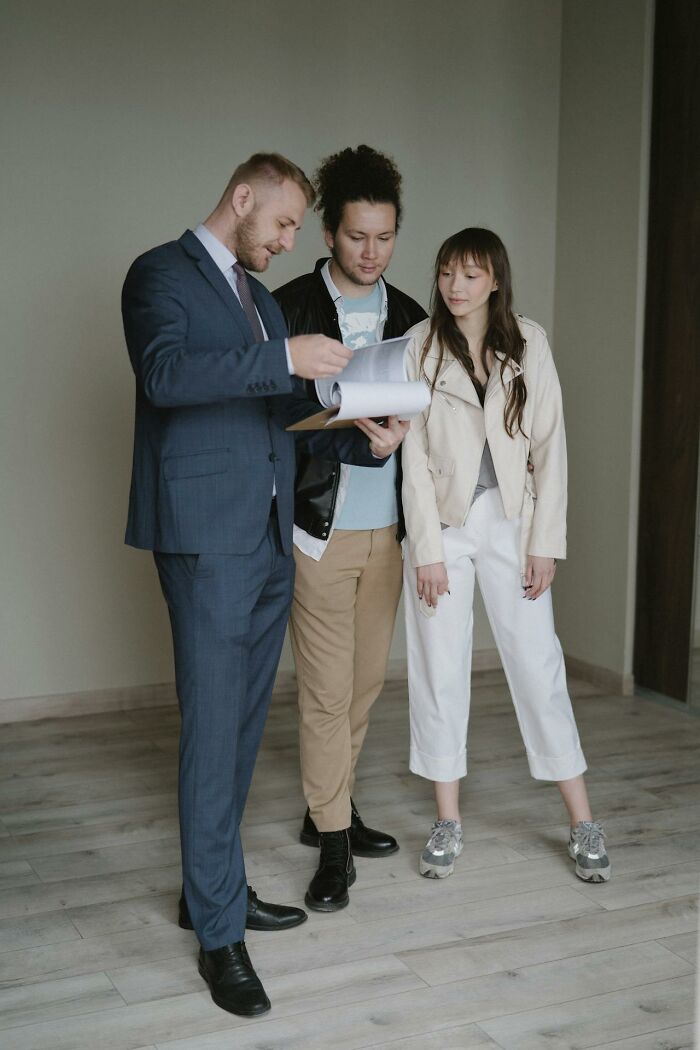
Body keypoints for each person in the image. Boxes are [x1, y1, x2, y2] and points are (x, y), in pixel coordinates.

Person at [121, 153, 406, 1017]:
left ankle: (213, 888)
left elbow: (277, 409)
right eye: (282, 224)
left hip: (266, 537)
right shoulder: (158, 274)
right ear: (242, 198)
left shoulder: (258, 298)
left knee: (242, 728)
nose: (287, 242)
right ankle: (218, 935)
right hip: (205, 538)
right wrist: (284, 352)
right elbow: (166, 378)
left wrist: (363, 434)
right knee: (214, 731)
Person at [401, 227, 611, 885]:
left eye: (469, 274)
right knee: (440, 666)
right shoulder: (420, 346)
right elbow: (409, 456)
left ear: (495, 278)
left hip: (512, 524)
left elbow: (551, 448)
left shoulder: (529, 342)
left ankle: (581, 821)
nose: (454, 286)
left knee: (538, 664)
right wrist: (426, 549)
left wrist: (545, 543)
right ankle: (447, 819)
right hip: (444, 523)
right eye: (445, 273)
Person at [274, 146, 426, 911]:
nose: (372, 252)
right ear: (329, 232)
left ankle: (326, 808)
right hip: (319, 529)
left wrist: (406, 436)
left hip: (389, 532)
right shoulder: (290, 306)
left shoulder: (412, 319)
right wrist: (349, 431)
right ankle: (333, 845)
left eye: (385, 237)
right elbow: (269, 419)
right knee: (326, 693)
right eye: (358, 236)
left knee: (365, 685)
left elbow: (434, 422)